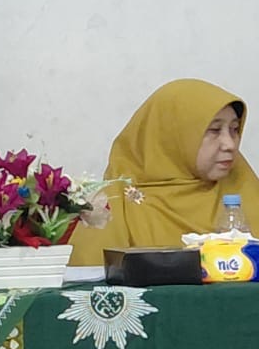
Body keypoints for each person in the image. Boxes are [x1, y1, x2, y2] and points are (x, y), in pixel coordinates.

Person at [71, 79, 257, 266]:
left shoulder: (244, 188)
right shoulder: (113, 204)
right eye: (215, 130)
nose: (230, 144)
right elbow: (89, 278)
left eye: (234, 129)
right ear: (172, 137)